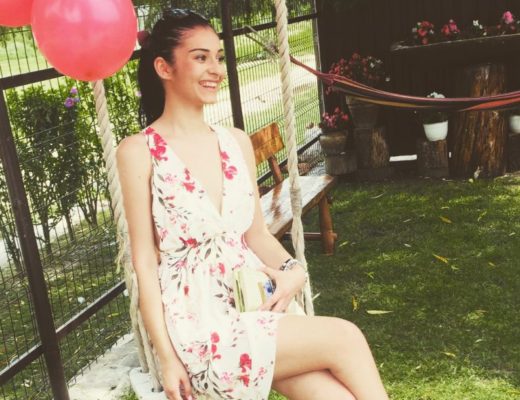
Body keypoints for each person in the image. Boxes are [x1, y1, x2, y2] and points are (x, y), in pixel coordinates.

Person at [116, 8, 389, 400]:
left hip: (255, 305)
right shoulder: (139, 151)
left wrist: (293, 271)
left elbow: (255, 235)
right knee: (345, 338)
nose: (215, 69)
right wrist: (166, 358)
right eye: (200, 57)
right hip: (202, 327)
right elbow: (144, 262)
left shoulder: (236, 142)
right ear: (164, 67)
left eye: (218, 57)